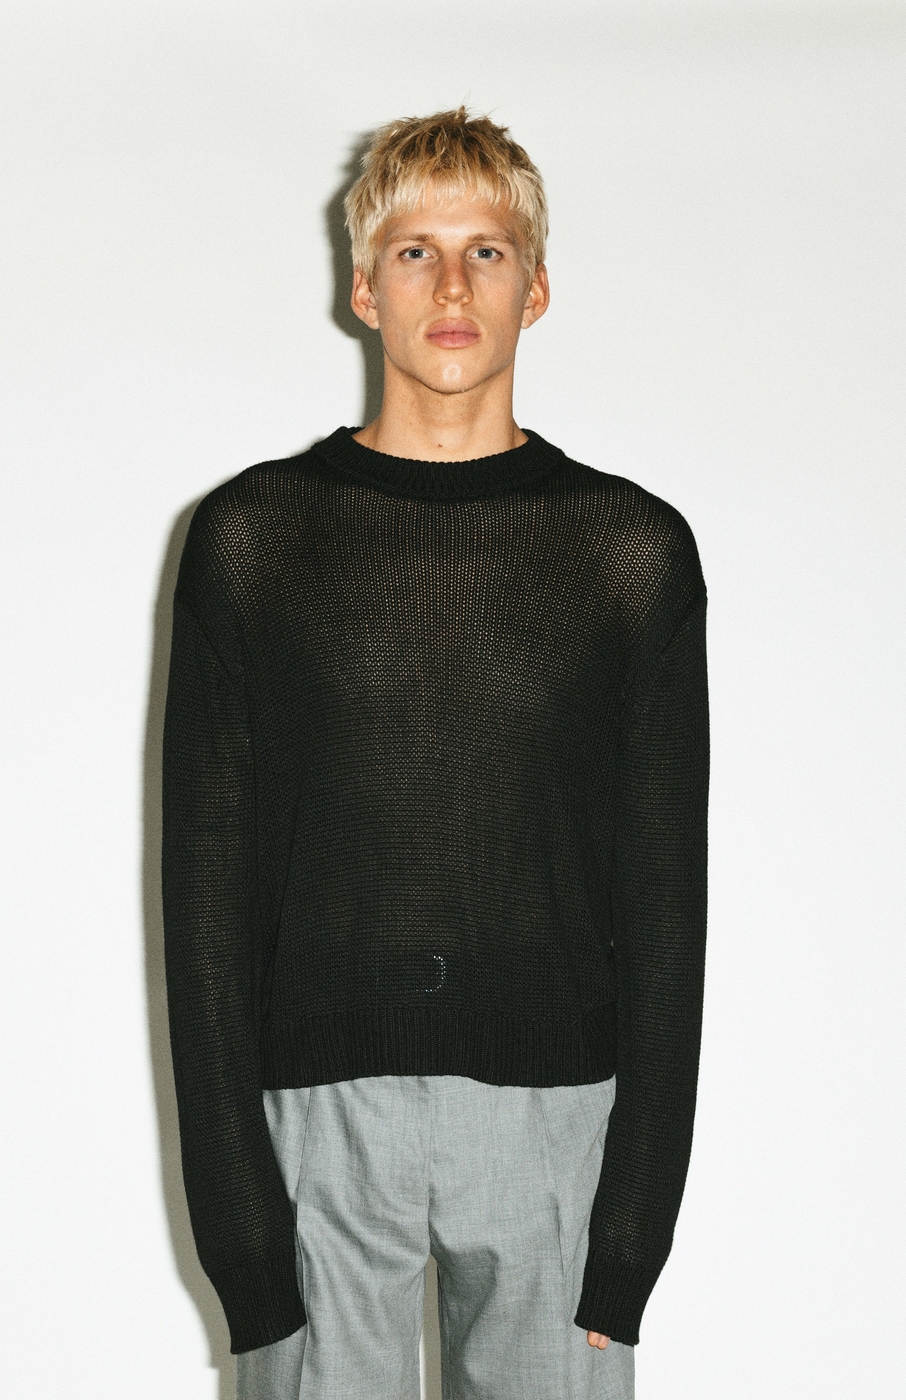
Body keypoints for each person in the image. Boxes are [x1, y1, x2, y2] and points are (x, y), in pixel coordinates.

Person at [161, 107, 709, 1400]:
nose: (452, 285)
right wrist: (242, 1238)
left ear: (536, 289)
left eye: (486, 251)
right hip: (314, 1132)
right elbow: (203, 892)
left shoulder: (627, 554)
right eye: (416, 251)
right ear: (364, 288)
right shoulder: (254, 540)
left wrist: (631, 1233)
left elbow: (667, 899)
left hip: (557, 1135)